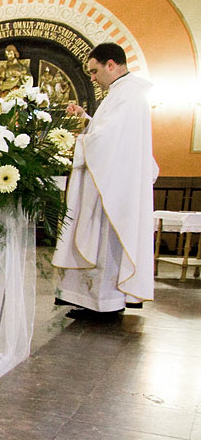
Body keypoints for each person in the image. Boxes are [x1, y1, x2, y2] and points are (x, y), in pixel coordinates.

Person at [51, 42, 158, 320]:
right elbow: (109, 133)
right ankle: (93, 302)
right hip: (107, 180)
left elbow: (110, 142)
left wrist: (77, 143)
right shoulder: (120, 93)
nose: (93, 78)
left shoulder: (129, 95)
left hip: (112, 187)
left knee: (104, 243)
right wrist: (87, 120)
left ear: (111, 64)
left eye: (94, 71)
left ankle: (105, 304)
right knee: (97, 243)